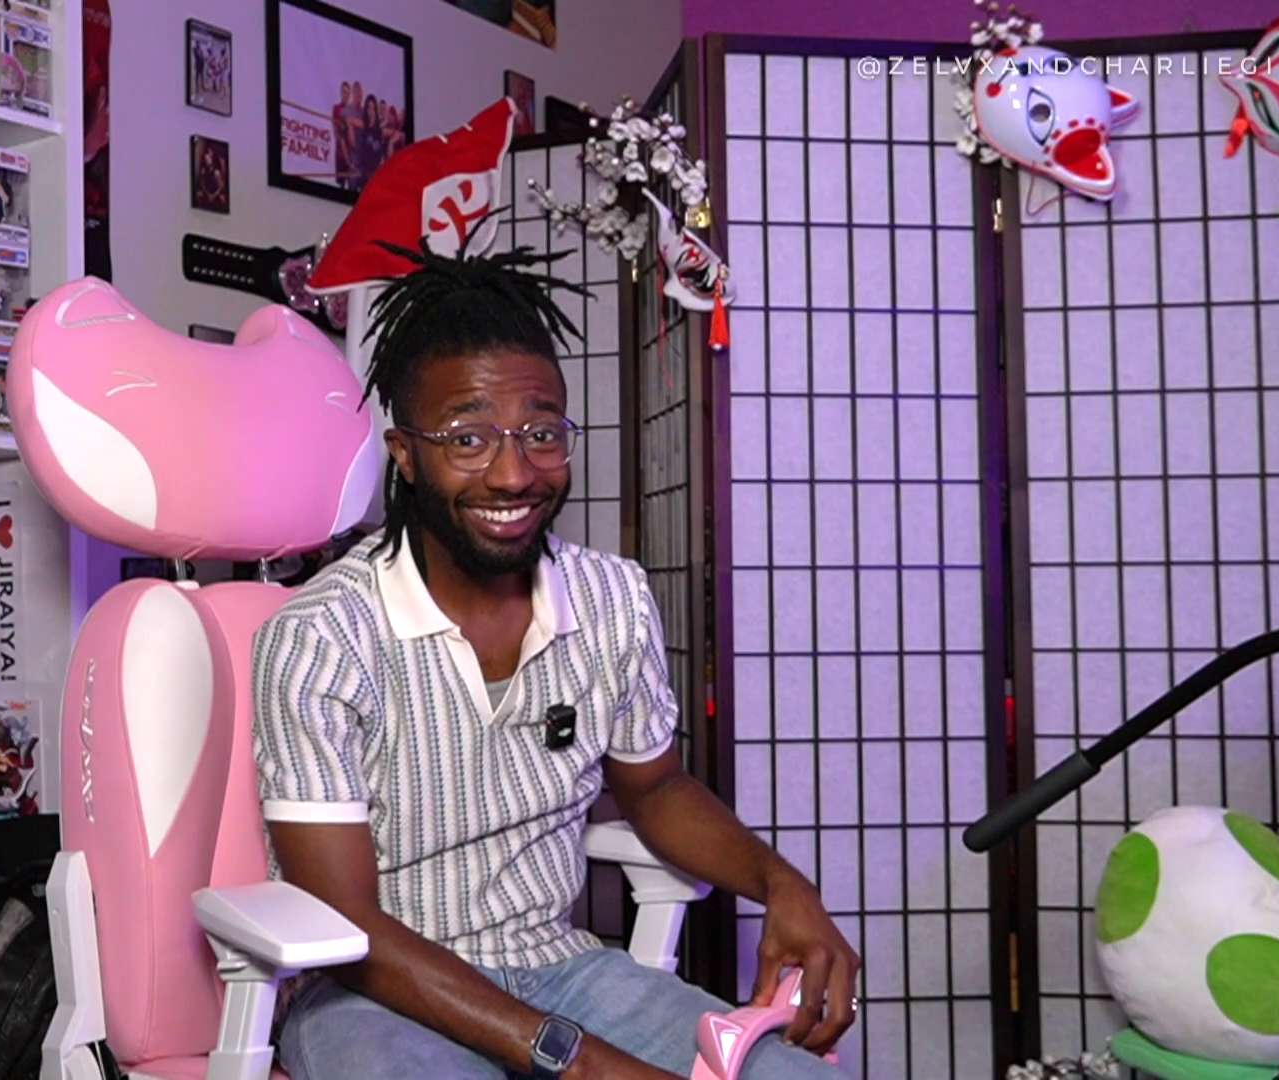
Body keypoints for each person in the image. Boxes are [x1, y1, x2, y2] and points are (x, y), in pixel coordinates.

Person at [253, 240, 859, 1079]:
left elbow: (656, 789)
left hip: (562, 968)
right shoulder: (321, 635)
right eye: (468, 438)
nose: (513, 474)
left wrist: (784, 884)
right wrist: (577, 1062)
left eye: (542, 433)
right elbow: (347, 926)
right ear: (405, 454)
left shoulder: (612, 598)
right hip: (375, 992)